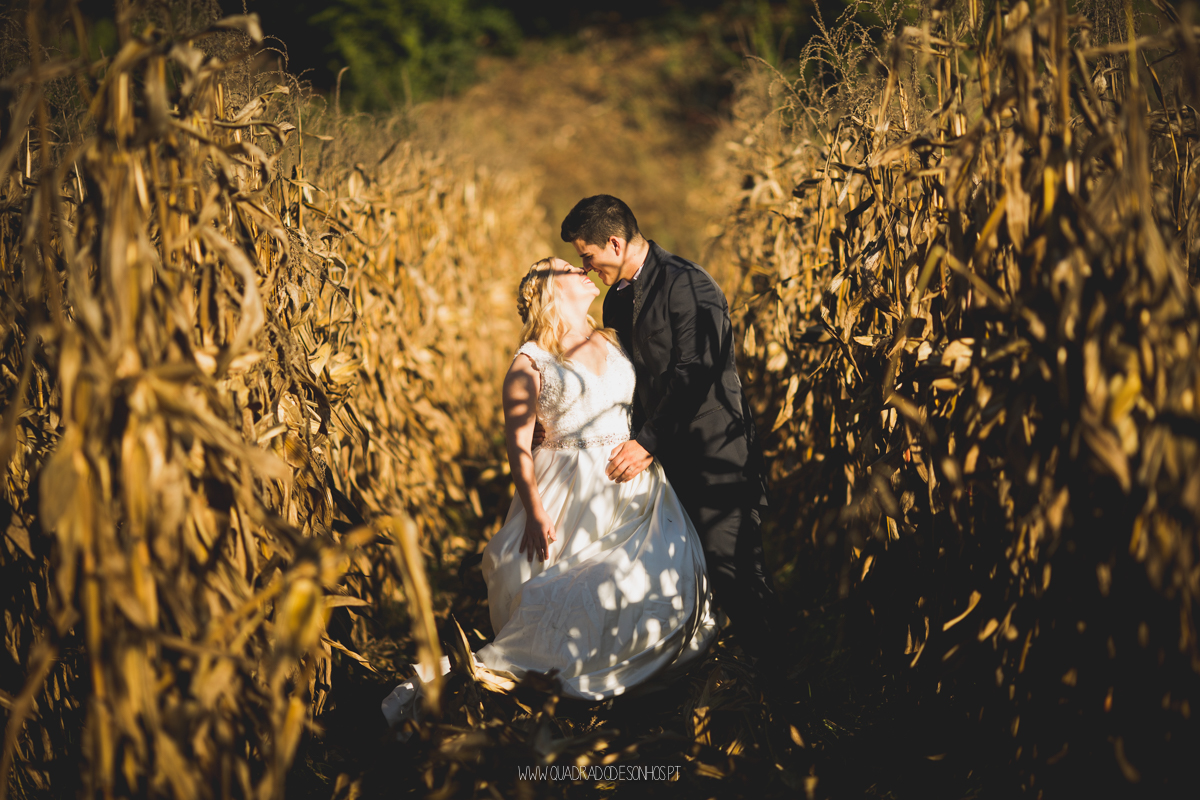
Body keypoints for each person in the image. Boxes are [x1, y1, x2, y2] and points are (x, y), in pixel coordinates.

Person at [382, 257, 716, 725]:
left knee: (649, 579)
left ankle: (630, 685)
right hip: (570, 489)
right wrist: (537, 512)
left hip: (635, 485)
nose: (583, 270)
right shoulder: (529, 362)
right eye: (567, 268)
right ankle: (555, 686)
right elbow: (518, 446)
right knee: (573, 595)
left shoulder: (612, 340)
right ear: (547, 290)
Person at [560, 195, 785, 678]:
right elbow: (622, 375)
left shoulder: (689, 285)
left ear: (615, 243)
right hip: (663, 462)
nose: (587, 265)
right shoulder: (619, 297)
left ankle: (775, 681)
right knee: (683, 568)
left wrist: (647, 442)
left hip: (714, 454)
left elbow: (696, 371)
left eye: (588, 255)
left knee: (734, 567)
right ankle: (705, 672)